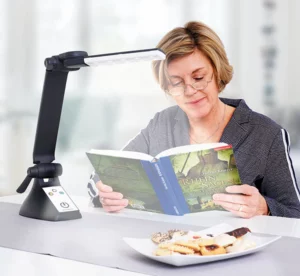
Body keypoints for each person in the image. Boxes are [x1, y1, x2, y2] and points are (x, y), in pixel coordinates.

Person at [87, 21, 300, 218]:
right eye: (177, 82)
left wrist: (264, 207)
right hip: (169, 248)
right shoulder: (162, 124)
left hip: (237, 250)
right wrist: (103, 194)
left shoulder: (265, 134)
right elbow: (100, 176)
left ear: (217, 73)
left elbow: (295, 212)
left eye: (198, 78)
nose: (190, 90)